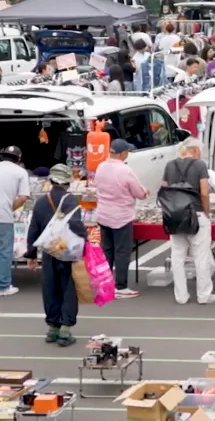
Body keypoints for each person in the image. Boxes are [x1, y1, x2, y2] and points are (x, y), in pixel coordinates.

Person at [23, 164, 85, 345]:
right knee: (68, 289)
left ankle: (52, 328)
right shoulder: (71, 200)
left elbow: (33, 228)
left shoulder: (41, 202)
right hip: (67, 252)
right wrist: (85, 239)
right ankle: (65, 330)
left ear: (50, 181)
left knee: (50, 288)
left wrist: (31, 254)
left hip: (49, 252)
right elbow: (75, 225)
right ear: (67, 182)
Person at [162, 139, 215, 305]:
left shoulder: (169, 165)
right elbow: (204, 192)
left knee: (177, 256)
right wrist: (206, 211)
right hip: (196, 213)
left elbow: (164, 189)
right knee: (201, 256)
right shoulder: (199, 165)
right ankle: (204, 295)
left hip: (175, 216)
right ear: (194, 150)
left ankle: (181, 296)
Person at [93, 139, 149, 299]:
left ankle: (105, 284)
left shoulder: (101, 166)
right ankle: (120, 286)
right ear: (123, 153)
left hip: (103, 214)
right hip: (121, 216)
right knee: (122, 251)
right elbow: (138, 191)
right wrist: (145, 193)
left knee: (107, 250)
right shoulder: (125, 170)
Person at [0, 146, 29, 297]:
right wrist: (10, 208)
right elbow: (23, 197)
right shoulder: (20, 172)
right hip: (4, 217)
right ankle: (3, 286)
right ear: (18, 159)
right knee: (4, 252)